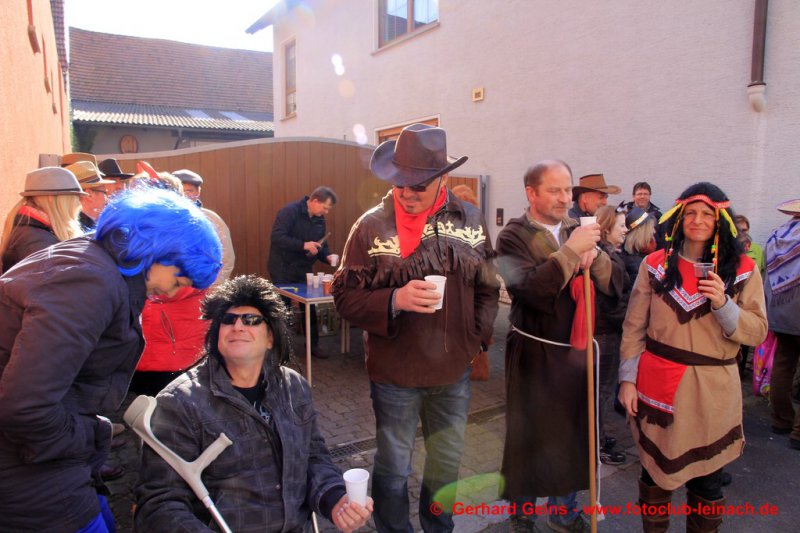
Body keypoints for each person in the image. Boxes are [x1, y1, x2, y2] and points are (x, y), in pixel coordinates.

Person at [0, 188, 222, 533]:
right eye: (178, 280)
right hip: (28, 469)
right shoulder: (91, 282)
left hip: (38, 458)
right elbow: (25, 406)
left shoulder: (92, 261)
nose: (173, 293)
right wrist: (89, 436)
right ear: (156, 248)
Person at [332, 123, 499, 532]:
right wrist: (395, 299)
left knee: (445, 465)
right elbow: (345, 297)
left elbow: (488, 287)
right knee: (393, 468)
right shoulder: (370, 225)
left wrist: (473, 340)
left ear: (442, 179)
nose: (406, 194)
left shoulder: (471, 220)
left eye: (417, 186)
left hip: (453, 373)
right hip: (395, 375)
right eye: (399, 183)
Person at [135, 275, 373, 532]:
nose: (238, 326)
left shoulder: (293, 387)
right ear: (217, 334)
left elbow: (313, 457)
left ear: (270, 337)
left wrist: (334, 499)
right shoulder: (180, 403)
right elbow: (159, 504)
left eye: (251, 319)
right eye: (228, 319)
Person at [618, 182, 767, 532]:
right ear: (678, 218)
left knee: (707, 484)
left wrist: (723, 304)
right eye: (690, 213)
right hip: (656, 386)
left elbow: (758, 331)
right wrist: (627, 380)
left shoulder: (743, 270)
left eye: (707, 214)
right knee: (653, 478)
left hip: (712, 391)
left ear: (720, 221)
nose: (698, 220)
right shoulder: (654, 265)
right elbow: (634, 327)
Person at [497, 160, 611, 533]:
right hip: (533, 353)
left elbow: (615, 283)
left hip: (575, 352)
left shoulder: (578, 229)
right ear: (531, 193)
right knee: (529, 435)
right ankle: (523, 514)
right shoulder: (512, 236)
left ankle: (563, 512)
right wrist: (571, 252)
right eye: (554, 190)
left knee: (571, 434)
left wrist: (597, 257)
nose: (565, 198)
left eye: (567, 190)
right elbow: (529, 290)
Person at [268, 186, 338, 358]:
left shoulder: (319, 220)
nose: (326, 212)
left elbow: (321, 246)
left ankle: (313, 345)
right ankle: (281, 348)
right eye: (325, 208)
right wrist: (303, 245)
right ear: (315, 201)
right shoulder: (289, 211)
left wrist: (327, 256)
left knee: (310, 306)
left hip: (303, 268)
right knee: (282, 307)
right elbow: (277, 237)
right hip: (282, 267)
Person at [594, 205, 631, 466]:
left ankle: (597, 438)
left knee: (601, 392)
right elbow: (608, 304)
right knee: (601, 393)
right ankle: (595, 445)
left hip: (607, 332)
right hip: (605, 335)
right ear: (607, 229)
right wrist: (632, 318)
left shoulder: (608, 254)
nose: (626, 229)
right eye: (621, 225)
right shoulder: (602, 258)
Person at [1, 167, 85, 273]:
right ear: (51, 198)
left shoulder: (34, 232)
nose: (79, 205)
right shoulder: (36, 241)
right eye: (75, 198)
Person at [765, 199, 800, 451]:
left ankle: (781, 419)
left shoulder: (778, 236)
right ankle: (798, 433)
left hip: (780, 312)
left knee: (783, 365)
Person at [173, 169, 236, 285]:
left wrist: (213, 288)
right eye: (180, 191)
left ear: (198, 192)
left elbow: (226, 259)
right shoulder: (163, 220)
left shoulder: (212, 219)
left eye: (189, 191)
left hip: (204, 287)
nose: (184, 196)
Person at [64, 160, 116, 231]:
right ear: (89, 195)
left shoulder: (71, 223)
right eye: (105, 193)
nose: (107, 199)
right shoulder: (83, 229)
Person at [624, 181, 666, 249]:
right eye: (639, 194)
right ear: (633, 196)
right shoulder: (625, 216)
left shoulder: (658, 216)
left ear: (649, 196)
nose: (642, 196)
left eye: (645, 194)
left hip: (652, 253)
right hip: (629, 252)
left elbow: (663, 238)